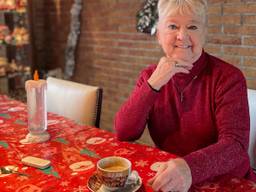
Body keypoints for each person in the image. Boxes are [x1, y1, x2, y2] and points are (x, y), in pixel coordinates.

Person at [114, 0, 256, 191]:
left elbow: (235, 146)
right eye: (172, 26)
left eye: (193, 26)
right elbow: (125, 132)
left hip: (226, 181)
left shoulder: (228, 77)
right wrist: (153, 85)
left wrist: (189, 168)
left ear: (204, 33)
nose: (182, 36)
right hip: (172, 178)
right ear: (159, 35)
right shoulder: (149, 76)